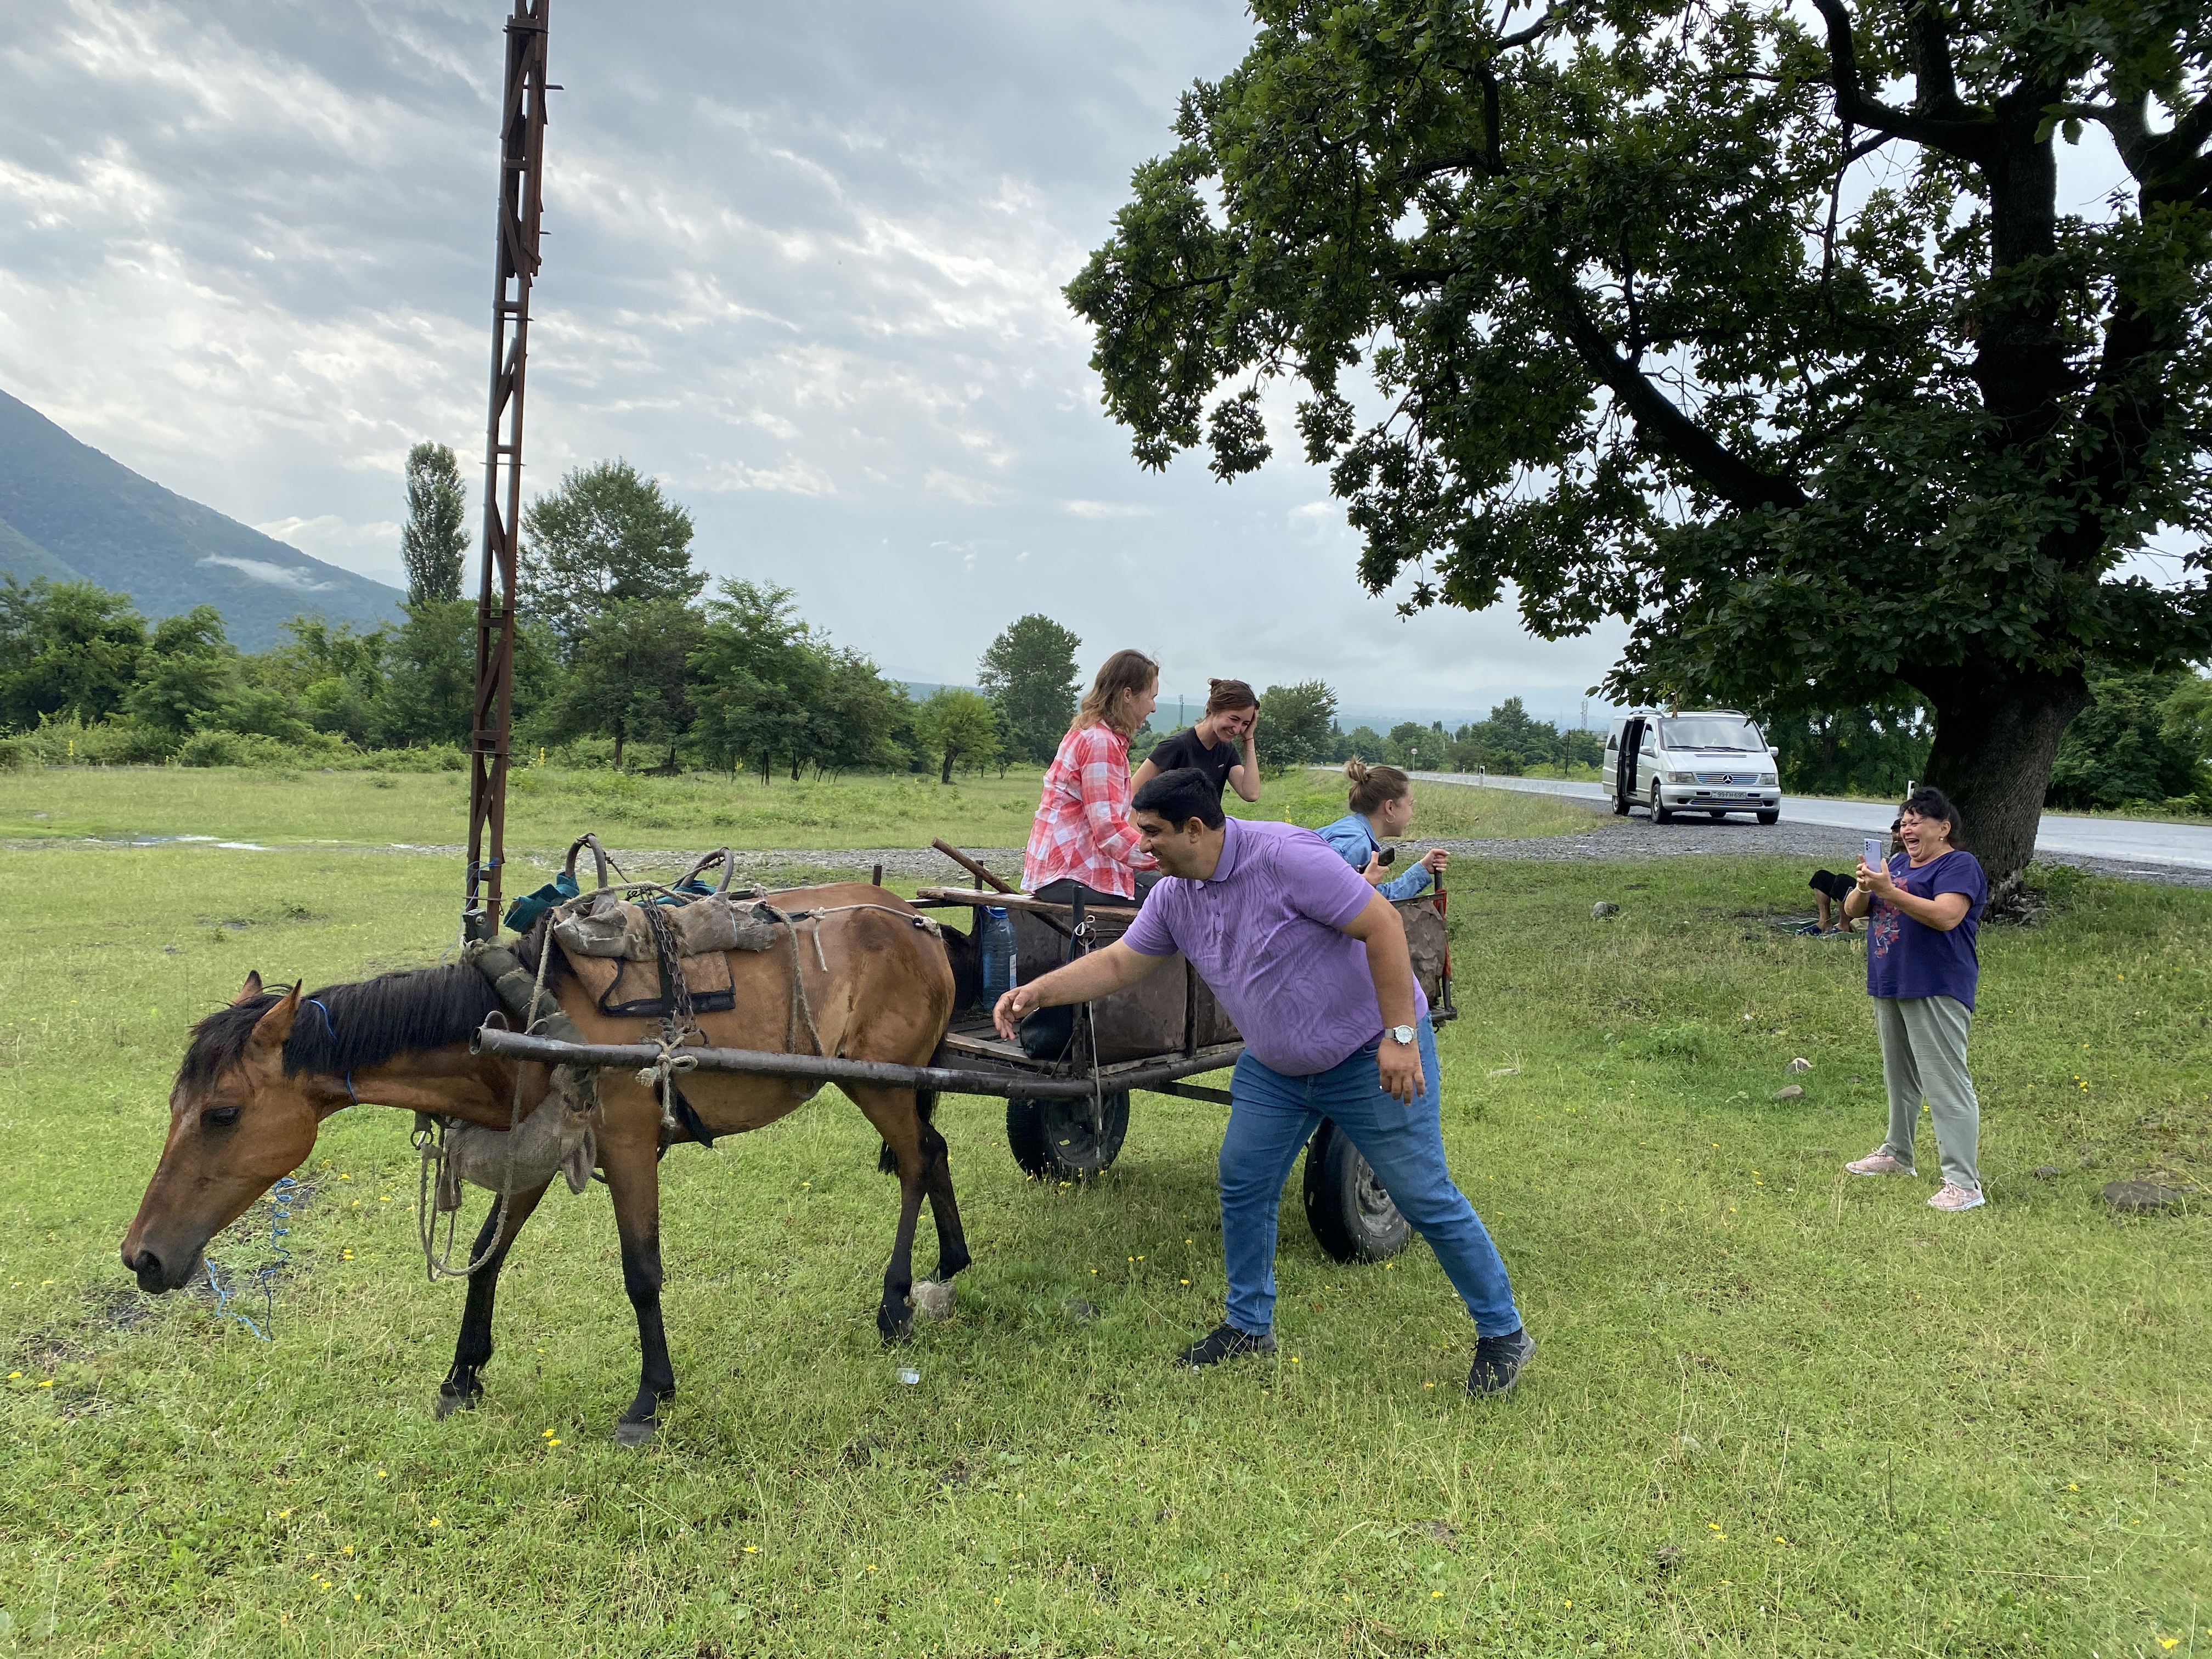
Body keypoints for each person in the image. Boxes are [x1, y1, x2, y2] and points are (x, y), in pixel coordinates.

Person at [993, 766, 1534, 1395]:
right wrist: (1038, 992)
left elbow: (1383, 926)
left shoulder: (1287, 857)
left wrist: (1401, 1037)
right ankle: (1250, 1325)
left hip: (1367, 1055)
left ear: (1195, 829)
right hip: (1278, 1069)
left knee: (1424, 1197)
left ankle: (1504, 1334)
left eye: (1153, 833)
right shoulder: (1173, 894)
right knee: (1244, 1181)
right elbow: (1119, 963)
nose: (1143, 846)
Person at [1840, 786, 1989, 1212]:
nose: (1907, 827)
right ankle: (1897, 1154)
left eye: (1917, 820)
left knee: (1946, 1083)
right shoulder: (1898, 864)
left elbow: (1947, 916)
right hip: (1891, 980)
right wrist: (1868, 885)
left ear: (1943, 828)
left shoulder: (1960, 864)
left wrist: (1889, 890)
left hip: (1937, 983)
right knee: (1900, 1077)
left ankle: (1964, 1183)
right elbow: (1853, 910)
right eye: (1903, 821)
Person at [1023, 648, 1161, 907]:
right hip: (1071, 874)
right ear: (1128, 695)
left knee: (1162, 886)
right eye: (1151, 697)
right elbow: (1109, 832)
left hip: (1062, 871)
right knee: (1174, 897)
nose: (1154, 707)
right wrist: (1166, 855)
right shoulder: (1101, 742)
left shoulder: (1089, 731)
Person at [1316, 759, 1449, 900]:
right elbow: (1316, 893)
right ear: (1390, 808)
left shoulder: (1354, 831)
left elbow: (1377, 899)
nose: (1412, 813)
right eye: (1410, 804)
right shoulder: (1353, 845)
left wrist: (1422, 870)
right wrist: (1363, 886)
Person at [1133, 679, 1261, 803]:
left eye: (1245, 723)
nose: (1237, 729)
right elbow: (1132, 790)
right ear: (1214, 710)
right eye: (1234, 719)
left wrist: (1249, 739)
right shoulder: (1177, 745)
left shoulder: (1226, 750)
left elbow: (1250, 793)